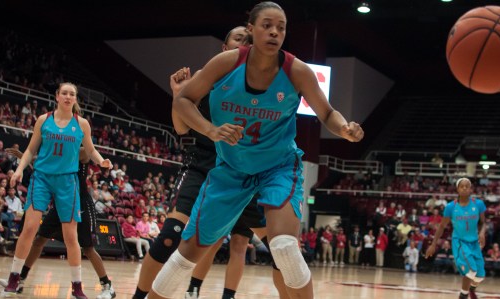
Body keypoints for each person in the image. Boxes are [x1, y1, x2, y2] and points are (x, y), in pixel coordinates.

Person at [147, 2, 363, 298]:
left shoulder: (296, 71)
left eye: (281, 27)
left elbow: (326, 113)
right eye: (267, 25)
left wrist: (344, 129)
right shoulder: (226, 63)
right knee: (186, 254)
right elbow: (184, 100)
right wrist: (211, 130)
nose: (274, 32)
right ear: (251, 29)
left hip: (278, 167)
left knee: (285, 248)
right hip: (231, 168)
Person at [133, 26, 289, 299]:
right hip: (203, 166)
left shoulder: (263, 83)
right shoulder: (208, 78)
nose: (244, 43)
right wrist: (178, 94)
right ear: (225, 46)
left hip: (244, 175)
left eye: (248, 41)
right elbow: (181, 129)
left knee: (281, 253)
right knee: (170, 236)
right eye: (239, 39)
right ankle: (144, 295)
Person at [2, 82, 112, 298]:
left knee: (71, 237)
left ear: (75, 98)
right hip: (41, 178)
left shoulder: (82, 124)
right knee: (30, 229)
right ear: (57, 96)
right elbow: (31, 149)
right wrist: (19, 170)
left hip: (67, 182)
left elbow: (90, 150)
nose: (68, 97)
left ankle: (77, 286)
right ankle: (14, 278)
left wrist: (102, 161)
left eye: (72, 94)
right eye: (64, 93)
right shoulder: (44, 120)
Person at [0, 147, 116, 299]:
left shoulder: (82, 150)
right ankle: (20, 280)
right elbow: (47, 166)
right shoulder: (61, 148)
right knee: (39, 239)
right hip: (62, 202)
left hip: (81, 203)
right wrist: (24, 157)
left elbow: (80, 153)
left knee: (88, 248)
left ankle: (107, 286)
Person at [426, 178, 486, 299]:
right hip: (460, 242)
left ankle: (470, 290)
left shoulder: (478, 204)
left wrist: (482, 233)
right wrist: (433, 244)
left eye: (467, 186)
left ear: (470, 190)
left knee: (480, 276)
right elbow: (442, 226)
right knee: (471, 271)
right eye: (462, 186)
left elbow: (483, 223)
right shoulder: (451, 207)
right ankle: (463, 295)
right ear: (457, 189)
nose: (464, 188)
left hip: (474, 242)